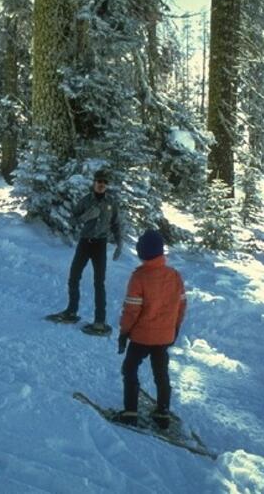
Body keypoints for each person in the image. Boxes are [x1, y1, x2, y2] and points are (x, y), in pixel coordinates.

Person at [114, 230, 186, 427]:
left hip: (141, 336)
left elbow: (131, 311)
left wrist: (124, 333)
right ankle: (163, 413)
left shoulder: (139, 277)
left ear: (142, 253)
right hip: (164, 336)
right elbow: (181, 306)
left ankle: (130, 412)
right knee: (161, 373)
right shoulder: (174, 276)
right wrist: (175, 328)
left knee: (129, 369)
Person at [51, 169, 123, 329]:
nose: (101, 185)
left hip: (100, 245)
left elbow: (117, 224)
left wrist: (120, 243)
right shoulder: (85, 201)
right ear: (94, 183)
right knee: (74, 277)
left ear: (107, 185)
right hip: (84, 243)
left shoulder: (111, 203)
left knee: (99, 283)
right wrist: (85, 217)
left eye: (104, 182)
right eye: (99, 181)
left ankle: (99, 320)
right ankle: (71, 311)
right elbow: (72, 221)